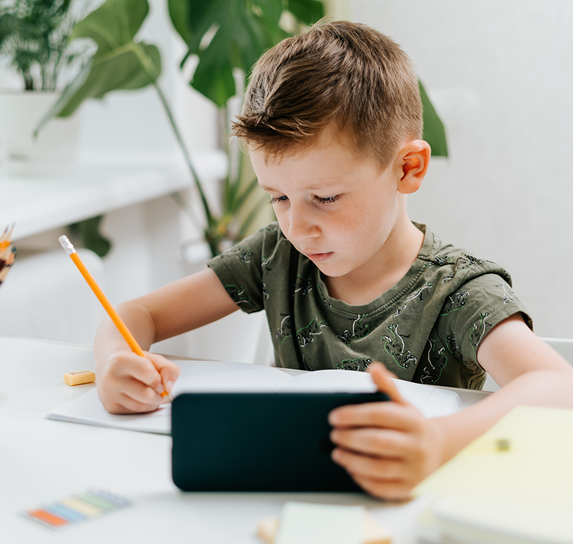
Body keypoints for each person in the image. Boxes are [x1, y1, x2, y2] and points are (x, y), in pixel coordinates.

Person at [93, 20, 573, 500]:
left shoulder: (460, 290)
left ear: (408, 168)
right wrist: (117, 361)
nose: (297, 228)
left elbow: (558, 387)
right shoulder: (276, 256)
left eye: (324, 197)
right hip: (290, 502)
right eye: (278, 197)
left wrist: (438, 443)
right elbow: (138, 315)